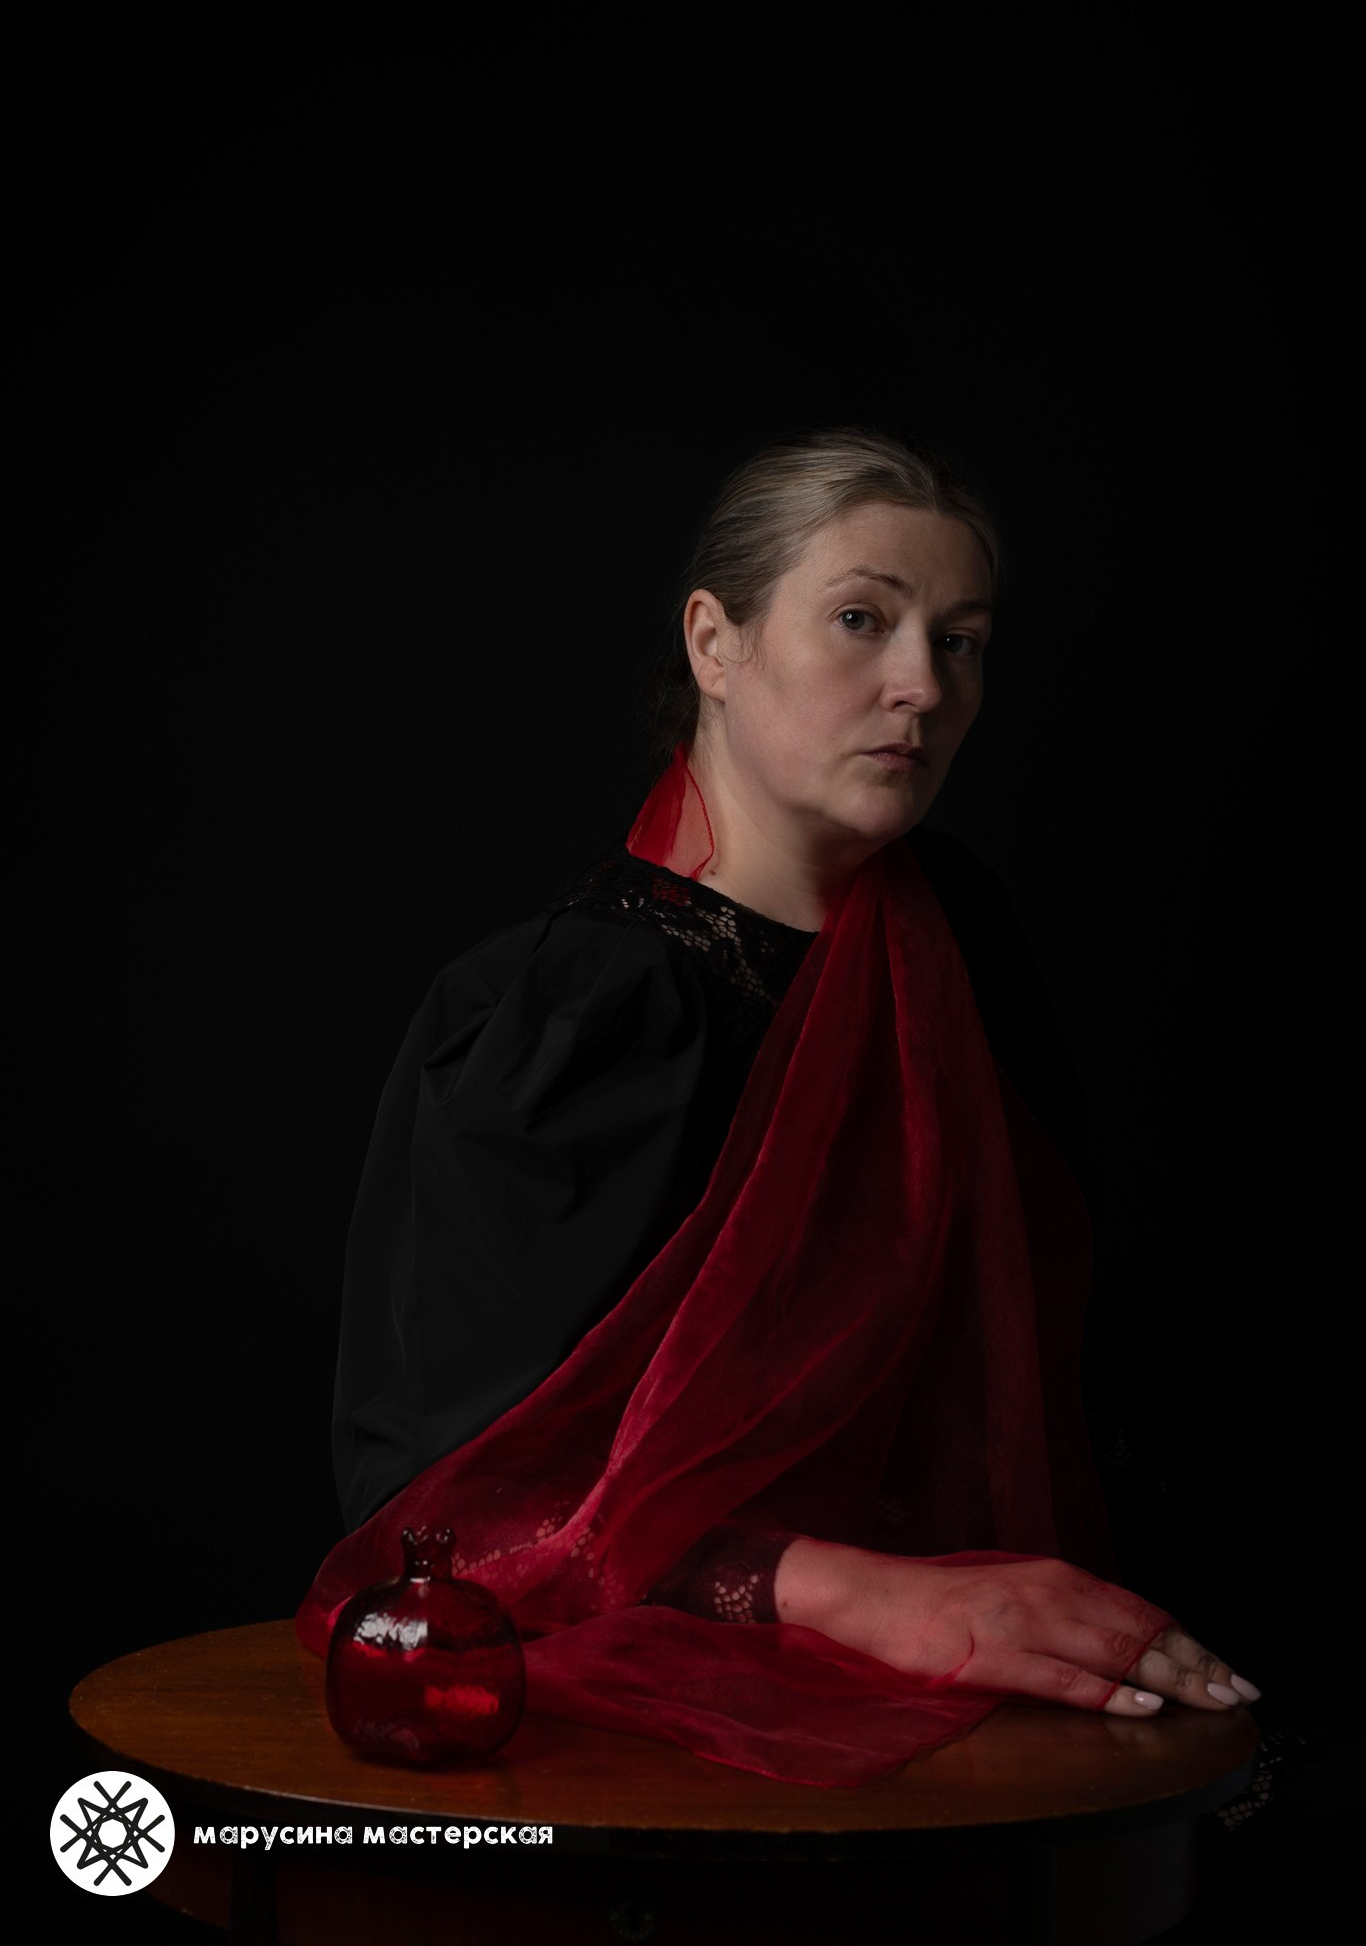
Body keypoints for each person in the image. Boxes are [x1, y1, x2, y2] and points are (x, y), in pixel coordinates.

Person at [297, 427, 1261, 1785]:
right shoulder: (572, 1017)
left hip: (1000, 1656)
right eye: (861, 620)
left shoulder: (957, 933)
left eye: (962, 641)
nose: (921, 686)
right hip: (651, 1705)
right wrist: (863, 1594)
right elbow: (457, 1511)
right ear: (714, 642)